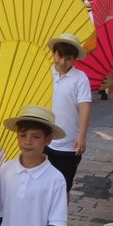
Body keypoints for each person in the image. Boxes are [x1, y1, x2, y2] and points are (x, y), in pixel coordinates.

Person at [45, 33, 92, 193]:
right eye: (60, 57)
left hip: (68, 143)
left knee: (63, 187)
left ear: (74, 59)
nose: (63, 62)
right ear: (54, 53)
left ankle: (60, 217)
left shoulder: (80, 78)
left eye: (68, 58)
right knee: (43, 185)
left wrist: (82, 136)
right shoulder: (45, 73)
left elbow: (84, 106)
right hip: (45, 140)